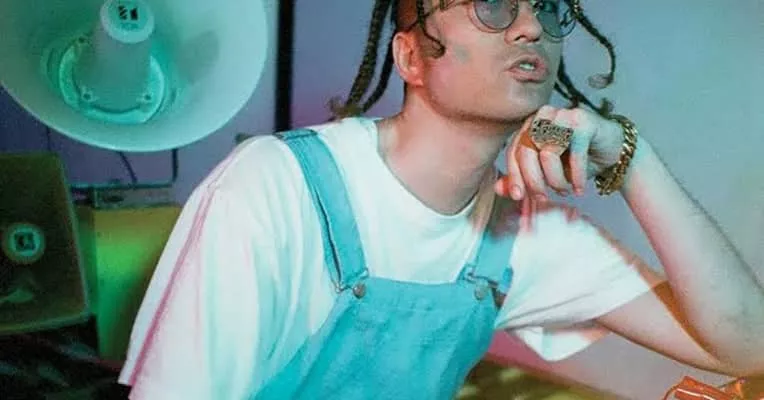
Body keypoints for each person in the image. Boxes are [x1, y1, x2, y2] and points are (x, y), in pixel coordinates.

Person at [118, 0, 764, 398]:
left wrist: (632, 156)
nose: (531, 28)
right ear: (411, 57)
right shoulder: (273, 188)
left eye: (546, 9)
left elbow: (747, 348)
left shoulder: (526, 237)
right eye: (493, 5)